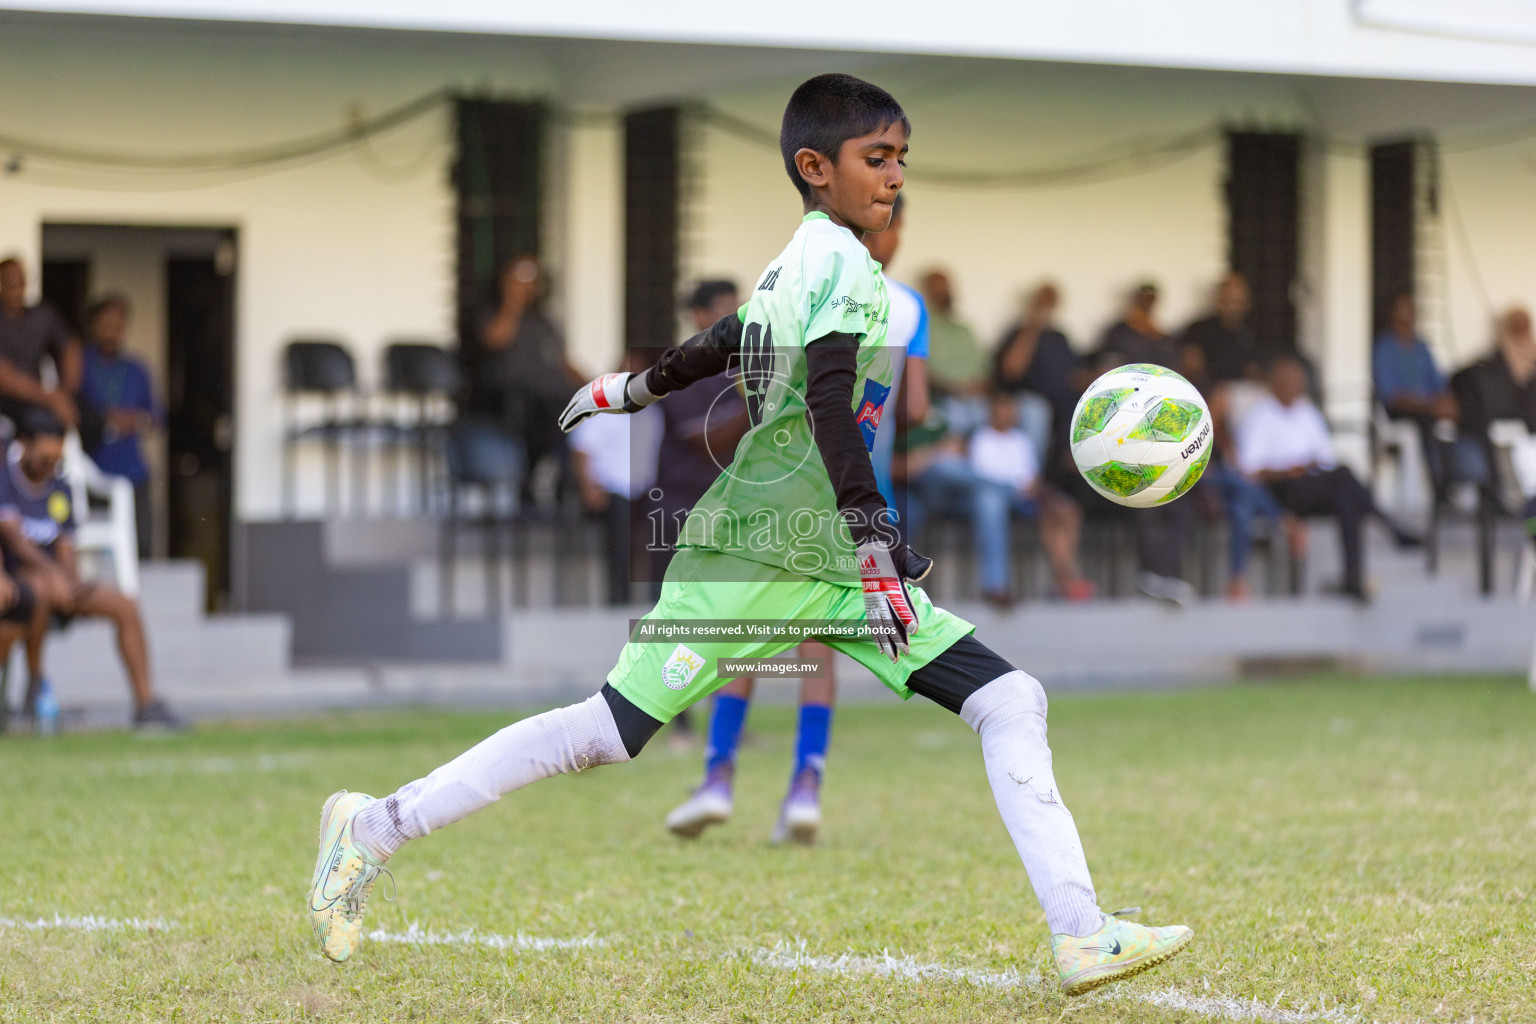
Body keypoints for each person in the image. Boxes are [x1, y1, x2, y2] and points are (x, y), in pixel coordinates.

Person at [306, 73, 1191, 997]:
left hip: (830, 561)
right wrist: (877, 547)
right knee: (605, 732)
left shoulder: (807, 258)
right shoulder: (841, 265)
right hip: (758, 556)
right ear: (816, 167)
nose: (894, 178)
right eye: (875, 159)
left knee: (1010, 699)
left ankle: (1082, 933)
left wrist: (629, 390)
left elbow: (727, 338)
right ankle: (371, 830)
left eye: (900, 161)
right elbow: (832, 408)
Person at [664, 192, 928, 844]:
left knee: (748, 630)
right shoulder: (905, 305)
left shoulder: (800, 286)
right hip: (859, 497)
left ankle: (717, 776)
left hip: (779, 490)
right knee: (816, 640)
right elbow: (915, 407)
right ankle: (805, 788)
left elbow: (765, 392)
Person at [0, 409, 183, 730]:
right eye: (44, 458)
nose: (50, 466)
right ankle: (36, 685)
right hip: (18, 585)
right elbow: (14, 540)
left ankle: (146, 704)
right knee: (40, 588)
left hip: (56, 583)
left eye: (56, 459)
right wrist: (53, 575)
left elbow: (65, 547)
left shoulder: (60, 488)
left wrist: (70, 581)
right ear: (24, 446)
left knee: (124, 605)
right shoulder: (6, 482)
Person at [1236, 356, 1420, 602]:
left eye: (1298, 381)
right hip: (1280, 488)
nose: (1296, 386)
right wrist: (1289, 469)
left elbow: (1324, 459)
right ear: (1274, 384)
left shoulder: (1307, 412)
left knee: (1346, 498)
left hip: (1313, 484)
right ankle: (1388, 526)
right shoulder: (1259, 416)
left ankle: (1352, 578)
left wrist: (1307, 468)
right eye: (1289, 381)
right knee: (1343, 477)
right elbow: (1250, 469)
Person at [1095, 283, 1198, 606]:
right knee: (1144, 491)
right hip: (1111, 456)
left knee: (1179, 494)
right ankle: (1153, 574)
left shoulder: (1164, 340)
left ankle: (1167, 575)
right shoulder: (1117, 335)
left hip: (1153, 443)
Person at [968, 391, 1091, 605]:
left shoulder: (1021, 439)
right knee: (992, 501)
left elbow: (1031, 474)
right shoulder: (981, 437)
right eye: (1003, 408)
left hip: (1025, 497)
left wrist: (1034, 488)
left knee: (1064, 510)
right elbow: (983, 475)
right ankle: (1066, 579)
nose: (1008, 414)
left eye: (1011, 409)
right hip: (1001, 494)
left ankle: (1064, 577)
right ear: (992, 411)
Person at [474, 255, 583, 482]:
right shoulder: (494, 313)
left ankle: (573, 490)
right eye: (521, 278)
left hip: (557, 395)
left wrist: (596, 386)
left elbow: (565, 363)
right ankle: (531, 487)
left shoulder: (546, 321)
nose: (528, 285)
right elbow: (496, 340)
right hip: (519, 398)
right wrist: (512, 299)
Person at [568, 352, 663, 606]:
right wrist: (589, 488)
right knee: (619, 549)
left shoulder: (653, 414)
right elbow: (581, 449)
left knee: (648, 547)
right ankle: (618, 601)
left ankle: (647, 603)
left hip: (644, 489)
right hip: (613, 489)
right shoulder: (603, 410)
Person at [1372, 293, 1488, 495]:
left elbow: (1439, 383)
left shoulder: (1421, 346)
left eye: (1411, 317)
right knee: (1424, 424)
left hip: (1430, 406)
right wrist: (1429, 406)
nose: (1408, 323)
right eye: (1403, 318)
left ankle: (1485, 487)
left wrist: (1449, 403)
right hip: (1401, 409)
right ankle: (1438, 488)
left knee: (1471, 415)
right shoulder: (1385, 348)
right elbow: (1391, 395)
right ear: (1393, 318)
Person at [79, 295, 159, 558]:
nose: (113, 331)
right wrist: (103, 419)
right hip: (92, 472)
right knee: (95, 549)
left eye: (119, 325)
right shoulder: (80, 364)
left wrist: (134, 420)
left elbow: (157, 417)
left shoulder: (137, 369)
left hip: (133, 472)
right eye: (106, 324)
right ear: (94, 326)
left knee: (141, 546)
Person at [0, 258, 80, 430]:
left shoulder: (42, 314)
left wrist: (65, 393)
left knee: (90, 419)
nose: (17, 290)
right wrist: (52, 399)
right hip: (9, 400)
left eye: (20, 283)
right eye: (10, 283)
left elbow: (70, 346)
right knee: (42, 421)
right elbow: (5, 378)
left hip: (41, 396)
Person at [919, 269, 988, 432]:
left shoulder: (965, 330)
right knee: (958, 416)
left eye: (947, 287)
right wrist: (954, 389)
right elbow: (921, 373)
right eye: (938, 288)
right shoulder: (923, 327)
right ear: (928, 292)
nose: (945, 292)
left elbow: (986, 369)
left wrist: (977, 387)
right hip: (944, 399)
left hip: (978, 398)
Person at [1180, 272, 1267, 386]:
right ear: (1218, 299)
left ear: (1247, 304)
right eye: (1227, 300)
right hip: (1207, 391)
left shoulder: (1253, 333)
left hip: (1244, 392)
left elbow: (1257, 371)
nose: (1232, 307)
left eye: (1237, 302)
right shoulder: (1198, 330)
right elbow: (1191, 367)